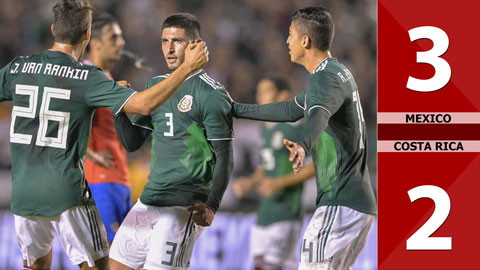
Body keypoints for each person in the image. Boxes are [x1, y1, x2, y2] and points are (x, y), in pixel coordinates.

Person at [0, 0, 208, 269]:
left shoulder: (18, 68)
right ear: (88, 34)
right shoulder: (86, 77)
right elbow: (144, 104)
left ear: (53, 29)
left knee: (36, 266)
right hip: (66, 192)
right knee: (100, 266)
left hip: (24, 192)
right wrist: (186, 68)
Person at [233, 6, 377, 270]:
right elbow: (289, 109)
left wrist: (304, 143)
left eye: (290, 34)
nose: (286, 41)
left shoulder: (325, 78)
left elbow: (318, 117)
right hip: (353, 203)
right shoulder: (333, 74)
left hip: (341, 200)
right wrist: (236, 109)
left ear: (305, 40)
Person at [110, 13, 234, 270]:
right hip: (148, 201)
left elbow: (225, 156)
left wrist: (212, 205)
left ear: (195, 44)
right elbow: (133, 142)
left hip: (183, 205)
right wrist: (118, 108)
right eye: (164, 41)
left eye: (176, 41)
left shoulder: (211, 94)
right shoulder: (157, 85)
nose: (169, 48)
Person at [233, 77, 315, 270]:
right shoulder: (266, 130)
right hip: (265, 212)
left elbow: (313, 166)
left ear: (283, 95)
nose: (259, 96)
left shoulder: (294, 129)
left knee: (270, 266)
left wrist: (279, 183)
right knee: (264, 265)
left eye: (266, 91)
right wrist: (249, 182)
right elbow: (266, 167)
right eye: (258, 91)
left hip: (286, 210)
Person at [83, 13, 132, 246]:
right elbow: (60, 121)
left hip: (118, 177)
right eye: (114, 37)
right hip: (99, 179)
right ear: (96, 43)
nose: (121, 43)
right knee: (106, 254)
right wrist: (90, 154)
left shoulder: (106, 77)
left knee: (122, 256)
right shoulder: (84, 78)